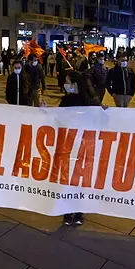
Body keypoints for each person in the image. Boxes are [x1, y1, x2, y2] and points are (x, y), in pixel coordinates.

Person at [58, 71, 107, 225]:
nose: (65, 84)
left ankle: (79, 212)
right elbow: (56, 118)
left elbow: (99, 120)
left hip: (84, 145)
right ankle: (67, 212)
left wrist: (104, 111)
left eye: (67, 81)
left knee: (80, 179)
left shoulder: (90, 102)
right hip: (68, 144)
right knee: (67, 180)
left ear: (75, 84)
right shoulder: (65, 101)